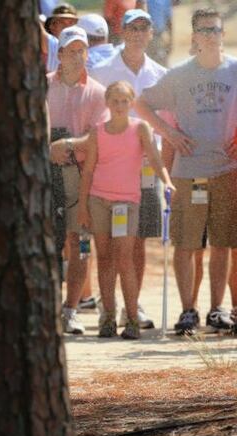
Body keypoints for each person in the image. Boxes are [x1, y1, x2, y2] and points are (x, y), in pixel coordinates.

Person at [135, 8, 237, 335]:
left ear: (223, 34)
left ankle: (218, 309)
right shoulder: (179, 75)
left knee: (222, 242)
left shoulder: (235, 70)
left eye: (216, 30)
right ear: (193, 37)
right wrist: (169, 132)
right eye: (204, 30)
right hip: (189, 172)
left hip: (228, 171)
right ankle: (188, 311)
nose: (211, 35)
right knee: (187, 243)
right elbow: (141, 104)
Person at [52, 81, 174, 340]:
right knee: (104, 258)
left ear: (132, 103)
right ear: (107, 103)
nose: (120, 106)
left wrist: (168, 181)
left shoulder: (140, 128)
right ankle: (107, 315)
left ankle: (131, 318)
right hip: (98, 200)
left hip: (127, 203)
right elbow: (89, 171)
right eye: (115, 101)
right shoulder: (98, 132)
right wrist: (83, 206)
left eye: (125, 101)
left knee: (125, 259)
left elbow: (154, 158)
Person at [90, 8, 166, 330]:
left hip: (147, 172)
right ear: (121, 32)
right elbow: (93, 121)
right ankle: (110, 307)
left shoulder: (161, 75)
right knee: (107, 246)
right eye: (131, 28)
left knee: (137, 241)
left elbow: (165, 126)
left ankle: (133, 307)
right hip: (108, 174)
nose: (137, 34)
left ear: (151, 34)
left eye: (143, 28)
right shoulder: (103, 71)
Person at [47, 26, 109, 335]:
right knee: (46, 241)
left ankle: (70, 309)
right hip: (44, 174)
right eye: (71, 50)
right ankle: (45, 308)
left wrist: (68, 145)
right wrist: (48, 150)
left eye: (82, 50)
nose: (77, 55)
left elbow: (98, 137)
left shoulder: (97, 91)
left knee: (79, 242)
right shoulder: (41, 87)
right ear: (58, 54)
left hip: (80, 176)